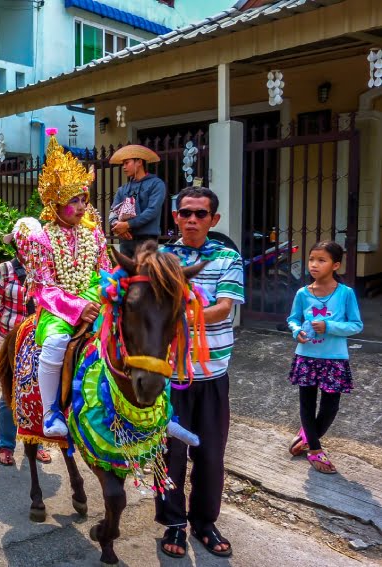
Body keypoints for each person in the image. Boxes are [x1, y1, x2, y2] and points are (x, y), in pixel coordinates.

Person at [156, 186, 244, 560]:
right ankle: (173, 522)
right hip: (169, 376)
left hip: (212, 376)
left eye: (201, 214)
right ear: (175, 216)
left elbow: (224, 308)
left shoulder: (227, 258)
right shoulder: (161, 257)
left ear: (214, 219)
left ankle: (204, 523)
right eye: (185, 212)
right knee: (170, 455)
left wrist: (177, 316)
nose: (192, 219)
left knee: (210, 456)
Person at [17, 129, 111, 438]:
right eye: (73, 200)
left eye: (83, 198)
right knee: (56, 344)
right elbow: (45, 286)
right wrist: (78, 307)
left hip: (96, 300)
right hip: (59, 309)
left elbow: (106, 271)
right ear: (55, 204)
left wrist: (98, 299)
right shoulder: (40, 239)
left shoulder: (95, 234)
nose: (82, 206)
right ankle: (50, 412)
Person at [286, 241, 363, 474]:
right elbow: (293, 318)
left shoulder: (346, 293)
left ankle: (308, 435)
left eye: (321, 260)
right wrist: (295, 331)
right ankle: (314, 449)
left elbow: (356, 325)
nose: (314, 265)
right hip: (307, 356)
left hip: (334, 358)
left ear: (335, 265)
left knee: (330, 407)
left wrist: (329, 326)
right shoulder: (302, 293)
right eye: (311, 260)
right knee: (306, 404)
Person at [0, 221, 52, 466]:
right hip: (9, 344)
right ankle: (5, 445)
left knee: (40, 393)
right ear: (17, 245)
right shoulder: (3, 271)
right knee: (9, 395)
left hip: (39, 342)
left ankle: (38, 444)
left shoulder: (45, 271)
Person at [107, 145, 166, 258]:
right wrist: (118, 227)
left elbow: (152, 211)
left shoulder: (156, 184)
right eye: (123, 164)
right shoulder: (122, 189)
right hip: (125, 239)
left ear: (139, 162)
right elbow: (113, 212)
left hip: (147, 239)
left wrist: (128, 224)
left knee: (146, 274)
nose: (124, 167)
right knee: (126, 274)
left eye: (127, 163)